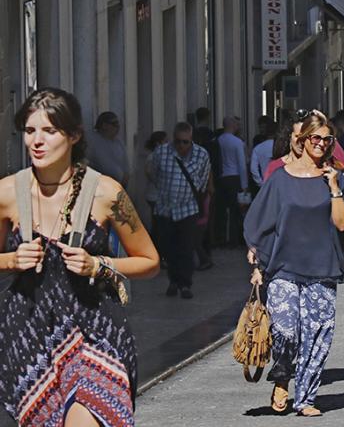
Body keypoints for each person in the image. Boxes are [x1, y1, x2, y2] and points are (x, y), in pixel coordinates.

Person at [0, 88, 159, 426]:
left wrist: (100, 264)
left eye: (49, 131)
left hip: (94, 333)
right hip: (29, 336)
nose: (36, 142)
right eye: (30, 131)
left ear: (73, 136)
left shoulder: (106, 192)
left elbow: (149, 260)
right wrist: (11, 260)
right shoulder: (7, 193)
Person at [244, 110, 344, 417]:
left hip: (321, 267)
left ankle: (305, 397)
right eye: (315, 138)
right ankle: (282, 376)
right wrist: (257, 261)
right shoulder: (280, 177)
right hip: (283, 266)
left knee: (317, 334)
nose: (321, 144)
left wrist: (334, 187)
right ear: (302, 141)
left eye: (326, 139)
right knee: (285, 329)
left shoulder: (335, 178)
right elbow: (261, 220)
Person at [149, 122, 211, 299]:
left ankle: (184, 283)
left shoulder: (201, 155)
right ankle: (173, 280)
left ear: (191, 140)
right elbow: (153, 174)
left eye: (186, 142)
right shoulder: (161, 153)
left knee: (186, 247)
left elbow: (203, 178)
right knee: (168, 247)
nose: (182, 146)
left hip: (187, 208)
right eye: (178, 142)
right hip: (165, 208)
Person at [214, 115, 248, 244]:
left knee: (221, 210)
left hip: (221, 178)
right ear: (233, 125)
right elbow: (241, 164)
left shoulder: (218, 140)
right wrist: (244, 185)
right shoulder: (237, 142)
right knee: (235, 210)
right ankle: (234, 239)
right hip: (235, 178)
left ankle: (221, 238)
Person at [85, 111, 129, 187]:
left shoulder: (118, 142)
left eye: (118, 124)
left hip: (119, 186)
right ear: (104, 125)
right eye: (114, 124)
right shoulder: (92, 141)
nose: (118, 126)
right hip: (100, 186)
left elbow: (125, 164)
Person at [249, 119, 277, 195]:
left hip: (265, 181)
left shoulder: (258, 148)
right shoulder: (280, 147)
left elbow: (253, 169)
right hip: (279, 183)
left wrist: (260, 183)